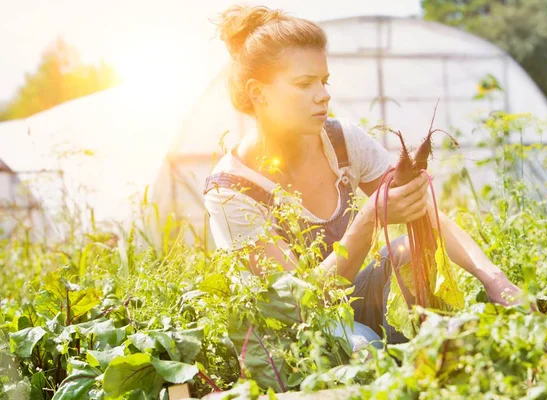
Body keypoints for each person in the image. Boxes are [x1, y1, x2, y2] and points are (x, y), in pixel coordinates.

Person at [203, 5, 521, 344]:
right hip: (293, 334)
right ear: (258, 92)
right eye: (304, 83)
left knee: (410, 251)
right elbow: (299, 305)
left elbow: (426, 212)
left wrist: (493, 278)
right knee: (361, 345)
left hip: (350, 298)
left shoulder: (342, 141)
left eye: (324, 81)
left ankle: (428, 358)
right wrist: (369, 219)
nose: (323, 94)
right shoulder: (231, 192)